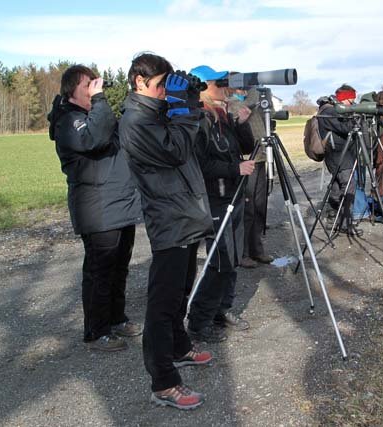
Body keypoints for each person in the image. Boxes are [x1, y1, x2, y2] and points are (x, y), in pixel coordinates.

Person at [119, 53, 214, 410]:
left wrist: (187, 100)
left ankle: (179, 347)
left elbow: (194, 143)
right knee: (161, 304)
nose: (163, 93)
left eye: (166, 86)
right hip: (169, 218)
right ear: (139, 82)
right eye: (160, 85)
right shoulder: (135, 122)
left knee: (179, 293)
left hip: (186, 215)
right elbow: (175, 151)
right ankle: (163, 382)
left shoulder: (160, 114)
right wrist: (179, 110)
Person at [47, 64, 143, 352]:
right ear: (72, 90)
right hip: (97, 208)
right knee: (100, 272)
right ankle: (96, 331)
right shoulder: (69, 120)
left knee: (119, 268)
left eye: (94, 84)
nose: (93, 88)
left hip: (118, 203)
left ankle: (116, 319)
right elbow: (94, 139)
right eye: (87, 84)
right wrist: (100, 99)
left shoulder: (90, 116)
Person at [186, 65, 255, 343]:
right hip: (214, 199)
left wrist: (241, 122)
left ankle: (221, 310)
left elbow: (247, 147)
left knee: (233, 258)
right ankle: (199, 322)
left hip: (234, 196)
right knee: (219, 260)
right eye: (218, 84)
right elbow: (200, 164)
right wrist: (234, 169)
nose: (226, 88)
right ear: (203, 88)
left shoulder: (222, 116)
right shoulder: (198, 119)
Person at [226, 86, 274, 268]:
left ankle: (257, 249)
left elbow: (271, 112)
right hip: (246, 160)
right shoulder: (232, 103)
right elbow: (241, 110)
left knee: (260, 206)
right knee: (248, 208)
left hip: (261, 157)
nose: (244, 90)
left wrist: (265, 97)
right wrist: (255, 94)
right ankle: (243, 252)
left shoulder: (253, 102)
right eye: (240, 87)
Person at [317, 84, 361, 236]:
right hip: (337, 154)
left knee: (337, 186)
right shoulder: (329, 111)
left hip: (342, 153)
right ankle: (345, 222)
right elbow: (345, 128)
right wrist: (356, 118)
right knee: (349, 185)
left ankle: (333, 218)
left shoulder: (334, 109)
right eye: (351, 99)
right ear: (344, 98)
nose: (352, 102)